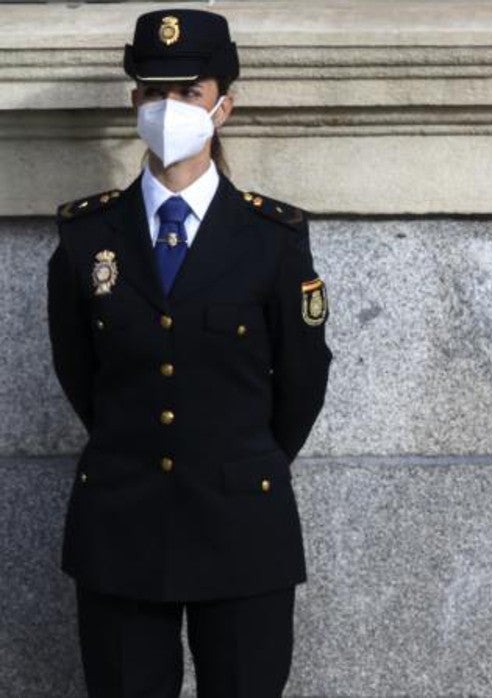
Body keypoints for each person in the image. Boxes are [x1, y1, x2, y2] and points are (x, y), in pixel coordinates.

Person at [46, 9, 331, 696]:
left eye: (189, 92)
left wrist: (230, 460)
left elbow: (301, 382)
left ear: (223, 105)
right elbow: (79, 372)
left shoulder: (272, 238)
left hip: (241, 526)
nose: (167, 108)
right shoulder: (89, 238)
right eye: (152, 92)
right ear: (133, 101)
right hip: (122, 528)